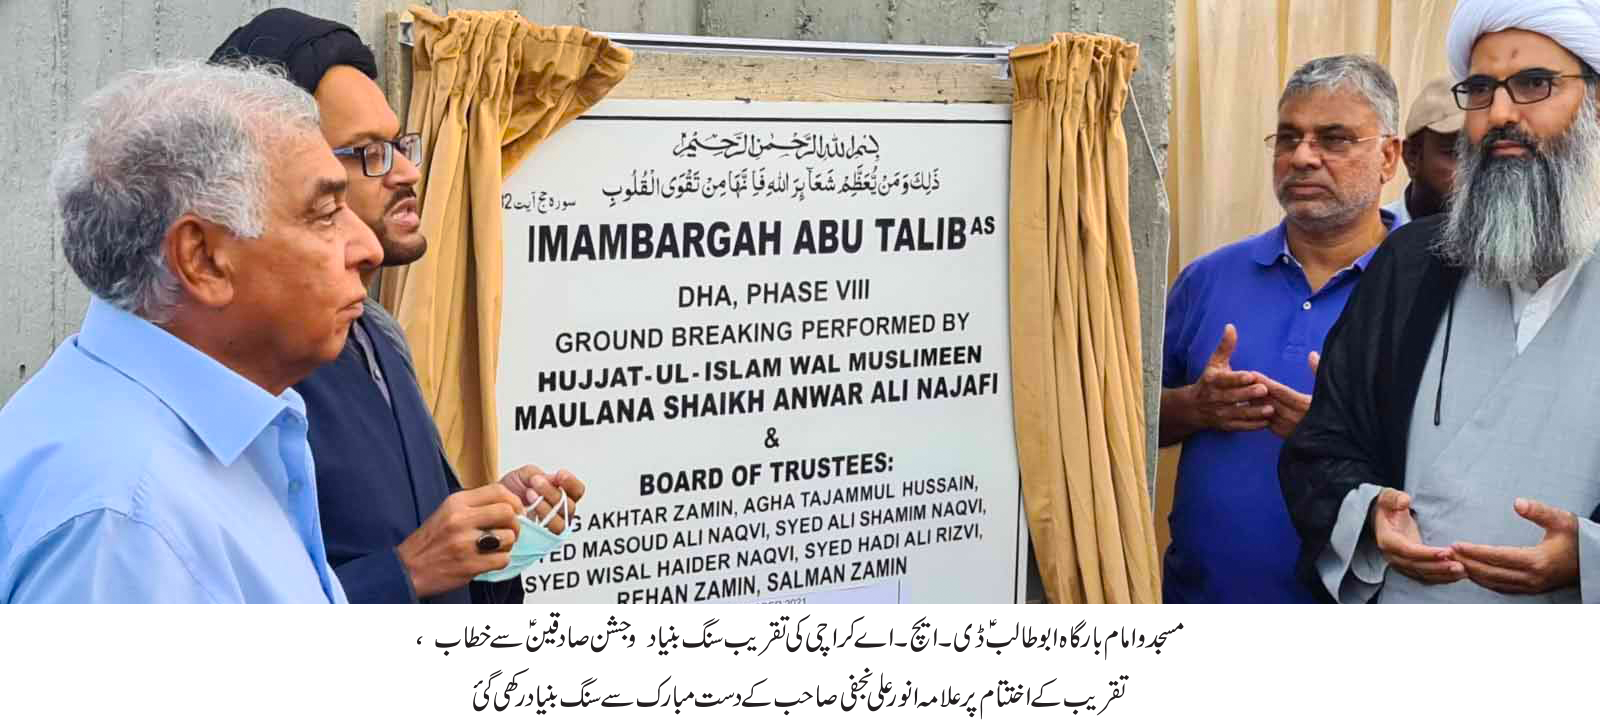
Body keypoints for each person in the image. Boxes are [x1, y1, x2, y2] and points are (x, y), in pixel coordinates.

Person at [212, 9, 585, 604]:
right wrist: (404, 572)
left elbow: (422, 543)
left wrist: (490, 532)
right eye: (367, 152)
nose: (408, 172)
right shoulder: (238, 366)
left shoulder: (377, 333)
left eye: (398, 145)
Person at [0, 60, 382, 602]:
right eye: (324, 213)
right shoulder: (125, 519)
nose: (369, 248)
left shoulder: (193, 439)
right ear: (202, 260)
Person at [1281, 0, 1600, 603]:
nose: (1499, 114)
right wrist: (1370, 516)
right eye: (1480, 90)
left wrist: (1586, 559)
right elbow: (1323, 446)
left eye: (1534, 84)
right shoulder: (1411, 262)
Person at [1159, 55, 1400, 603]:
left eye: (1334, 139)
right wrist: (1195, 407)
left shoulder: (1424, 289)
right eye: (1288, 138)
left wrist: (1332, 436)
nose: (1303, 157)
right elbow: (1129, 429)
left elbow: (1454, 476)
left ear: (1389, 156)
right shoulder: (1208, 279)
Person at [1382, 77, 1463, 228]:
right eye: (1456, 153)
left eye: (1481, 155)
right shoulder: (1375, 237)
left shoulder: (1503, 237)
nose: (1473, 169)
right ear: (1411, 156)